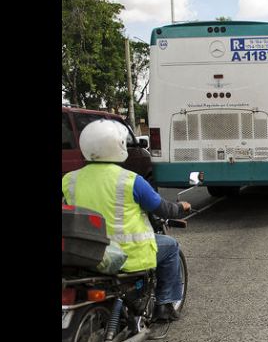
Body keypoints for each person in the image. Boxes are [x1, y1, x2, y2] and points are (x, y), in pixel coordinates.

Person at [62, 119, 191, 322]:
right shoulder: (130, 180)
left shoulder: (69, 179)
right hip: (126, 253)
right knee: (171, 246)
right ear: (119, 146)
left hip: (84, 253)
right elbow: (162, 208)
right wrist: (181, 207)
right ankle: (164, 305)